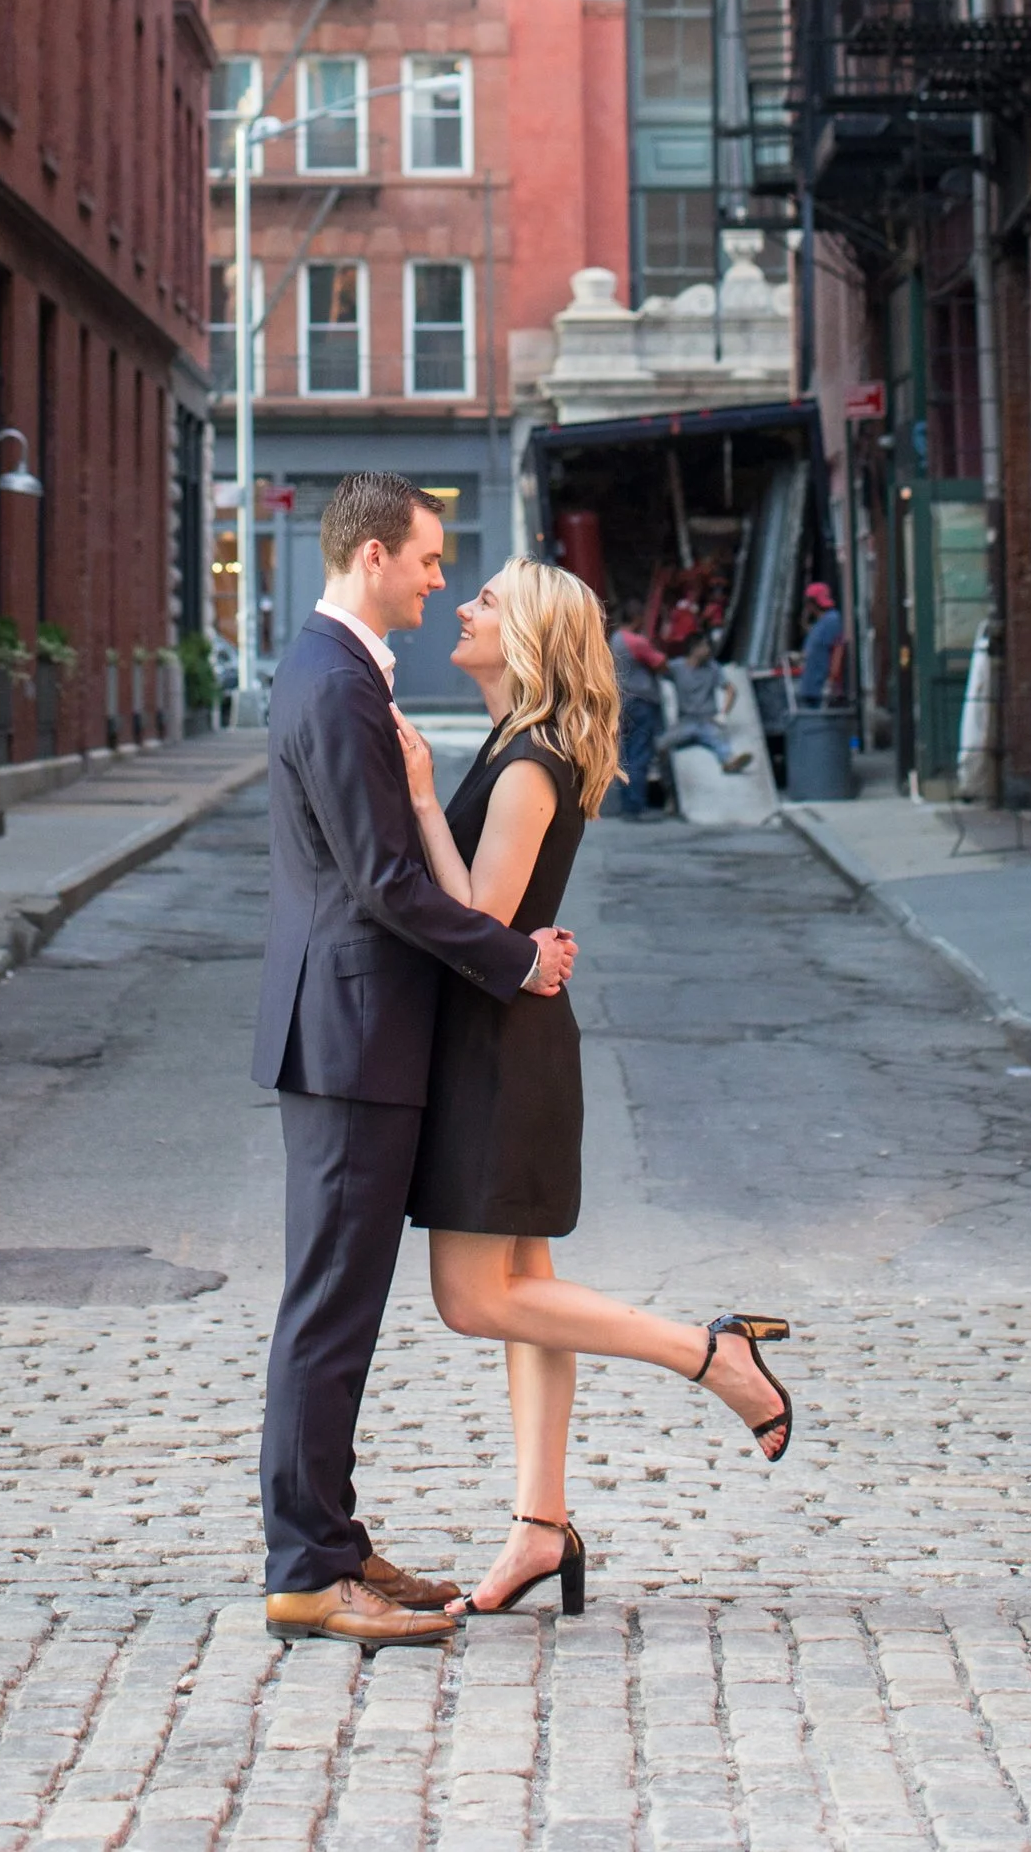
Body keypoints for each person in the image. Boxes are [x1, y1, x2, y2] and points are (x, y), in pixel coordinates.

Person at [394, 561, 795, 1620]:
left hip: (498, 1047)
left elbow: (477, 921)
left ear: (521, 634)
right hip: (507, 1037)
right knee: (527, 1294)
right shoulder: (518, 745)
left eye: (483, 601)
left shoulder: (526, 762)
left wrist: (425, 799)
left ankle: (712, 1355)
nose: (464, 608)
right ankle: (539, 1526)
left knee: (475, 1298)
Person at [253, 473, 578, 1650]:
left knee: (338, 1310)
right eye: (432, 561)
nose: (442, 582)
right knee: (327, 1315)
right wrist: (510, 957)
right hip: (349, 1037)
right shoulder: (335, 684)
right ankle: (305, 1570)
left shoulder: (337, 674)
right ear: (376, 556)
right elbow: (386, 887)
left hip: (354, 1034)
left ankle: (332, 1546)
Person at [664, 613, 754, 773]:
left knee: (719, 741)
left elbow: (731, 690)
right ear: (694, 649)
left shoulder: (713, 668)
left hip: (707, 721)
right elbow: (656, 667)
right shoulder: (676, 668)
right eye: (705, 646)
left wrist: (723, 714)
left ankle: (730, 763)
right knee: (661, 744)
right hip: (685, 721)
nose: (708, 649)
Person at [607, 612, 667, 817]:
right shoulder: (636, 641)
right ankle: (635, 805)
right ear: (637, 619)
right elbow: (660, 664)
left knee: (625, 753)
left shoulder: (614, 640)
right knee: (639, 752)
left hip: (622, 701)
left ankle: (627, 803)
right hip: (642, 701)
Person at [795, 582, 847, 711]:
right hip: (809, 687)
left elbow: (837, 650)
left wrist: (831, 679)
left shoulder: (832, 620)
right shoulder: (817, 625)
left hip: (820, 689)